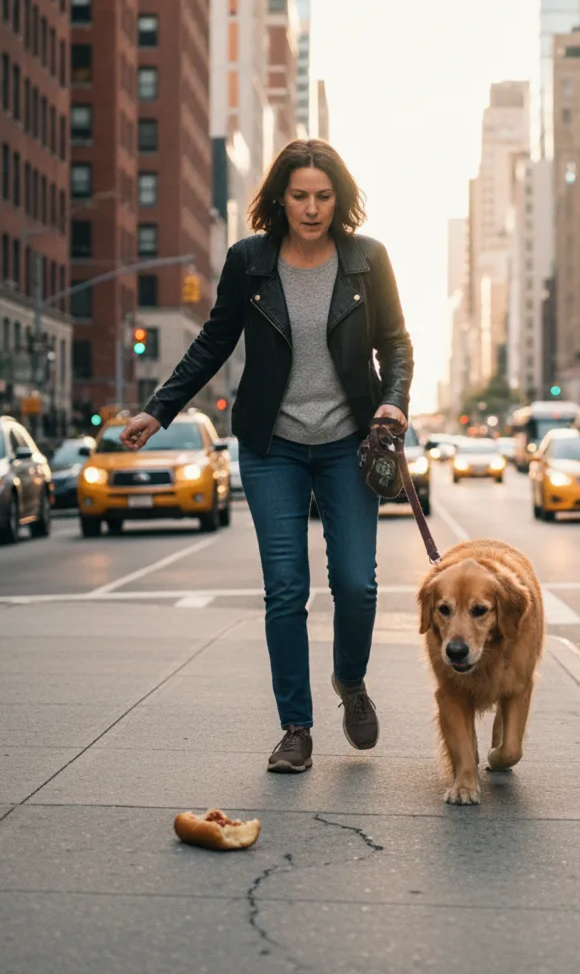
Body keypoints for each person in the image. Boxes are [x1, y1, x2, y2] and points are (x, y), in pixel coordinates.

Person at [119, 139, 414, 774]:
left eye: (324, 196)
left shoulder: (367, 259)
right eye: (301, 195)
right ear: (280, 197)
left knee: (358, 586)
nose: (312, 209)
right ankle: (296, 729)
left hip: (348, 443)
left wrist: (393, 403)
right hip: (271, 445)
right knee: (285, 592)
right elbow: (213, 340)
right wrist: (158, 409)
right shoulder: (250, 261)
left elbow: (395, 344)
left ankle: (350, 684)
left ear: (341, 199)